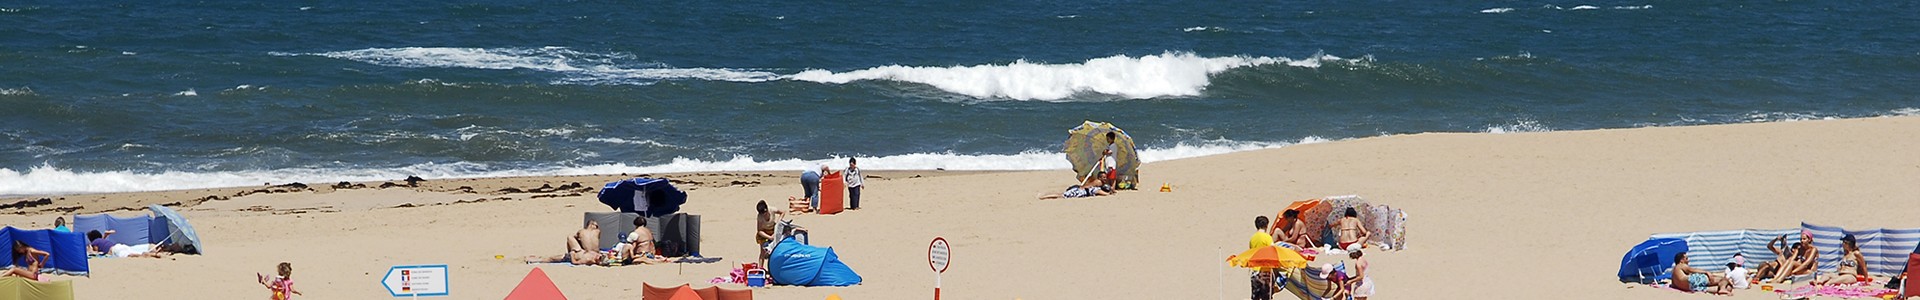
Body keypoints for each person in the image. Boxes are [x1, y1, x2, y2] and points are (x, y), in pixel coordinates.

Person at [524, 221, 604, 265]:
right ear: (593, 225)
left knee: (551, 258)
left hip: (577, 253)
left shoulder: (581, 231)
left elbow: (575, 262)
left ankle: (534, 260)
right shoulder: (597, 231)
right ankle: (536, 259)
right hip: (581, 252)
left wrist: (572, 253)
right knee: (553, 258)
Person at [86, 230, 168, 258]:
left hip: (115, 250)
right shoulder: (101, 240)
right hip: (119, 246)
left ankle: (151, 255)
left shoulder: (94, 242)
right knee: (132, 252)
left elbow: (97, 252)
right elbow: (102, 244)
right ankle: (153, 252)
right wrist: (106, 234)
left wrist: (90, 251)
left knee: (131, 255)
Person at [1249, 216, 1275, 300]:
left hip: (1255, 271)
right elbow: (1273, 251)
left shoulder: (1252, 239)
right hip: (1265, 270)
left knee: (1255, 296)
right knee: (1266, 297)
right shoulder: (1267, 237)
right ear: (1266, 225)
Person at [1037, 176, 1111, 200]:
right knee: (1061, 196)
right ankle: (1043, 197)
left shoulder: (1093, 188)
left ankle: (1045, 196)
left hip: (1079, 190)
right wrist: (1109, 192)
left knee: (1061, 194)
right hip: (1079, 192)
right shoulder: (1096, 190)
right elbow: (1105, 194)